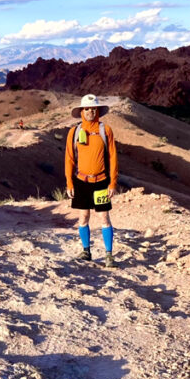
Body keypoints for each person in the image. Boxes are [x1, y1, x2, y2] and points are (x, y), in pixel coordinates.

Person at [64, 94, 118, 267]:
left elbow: (113, 157)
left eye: (93, 108)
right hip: (81, 181)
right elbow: (69, 159)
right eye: (86, 108)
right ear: (81, 111)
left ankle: (109, 255)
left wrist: (113, 182)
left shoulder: (105, 130)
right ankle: (86, 251)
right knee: (83, 217)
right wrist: (69, 183)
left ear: (98, 111)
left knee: (104, 218)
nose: (90, 111)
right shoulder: (74, 132)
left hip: (101, 181)